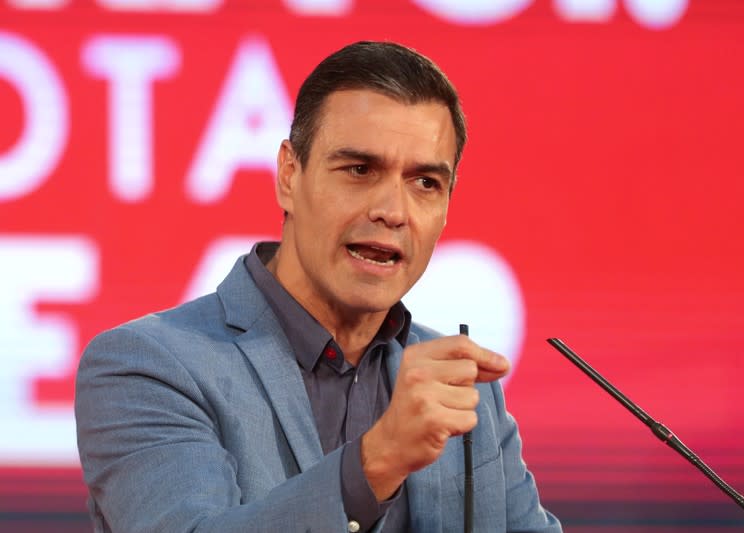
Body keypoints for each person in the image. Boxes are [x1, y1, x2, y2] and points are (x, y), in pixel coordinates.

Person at [75, 41, 562, 533]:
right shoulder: (147, 366)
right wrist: (376, 461)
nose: (393, 211)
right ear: (289, 175)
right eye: (359, 170)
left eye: (425, 183)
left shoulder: (462, 390)